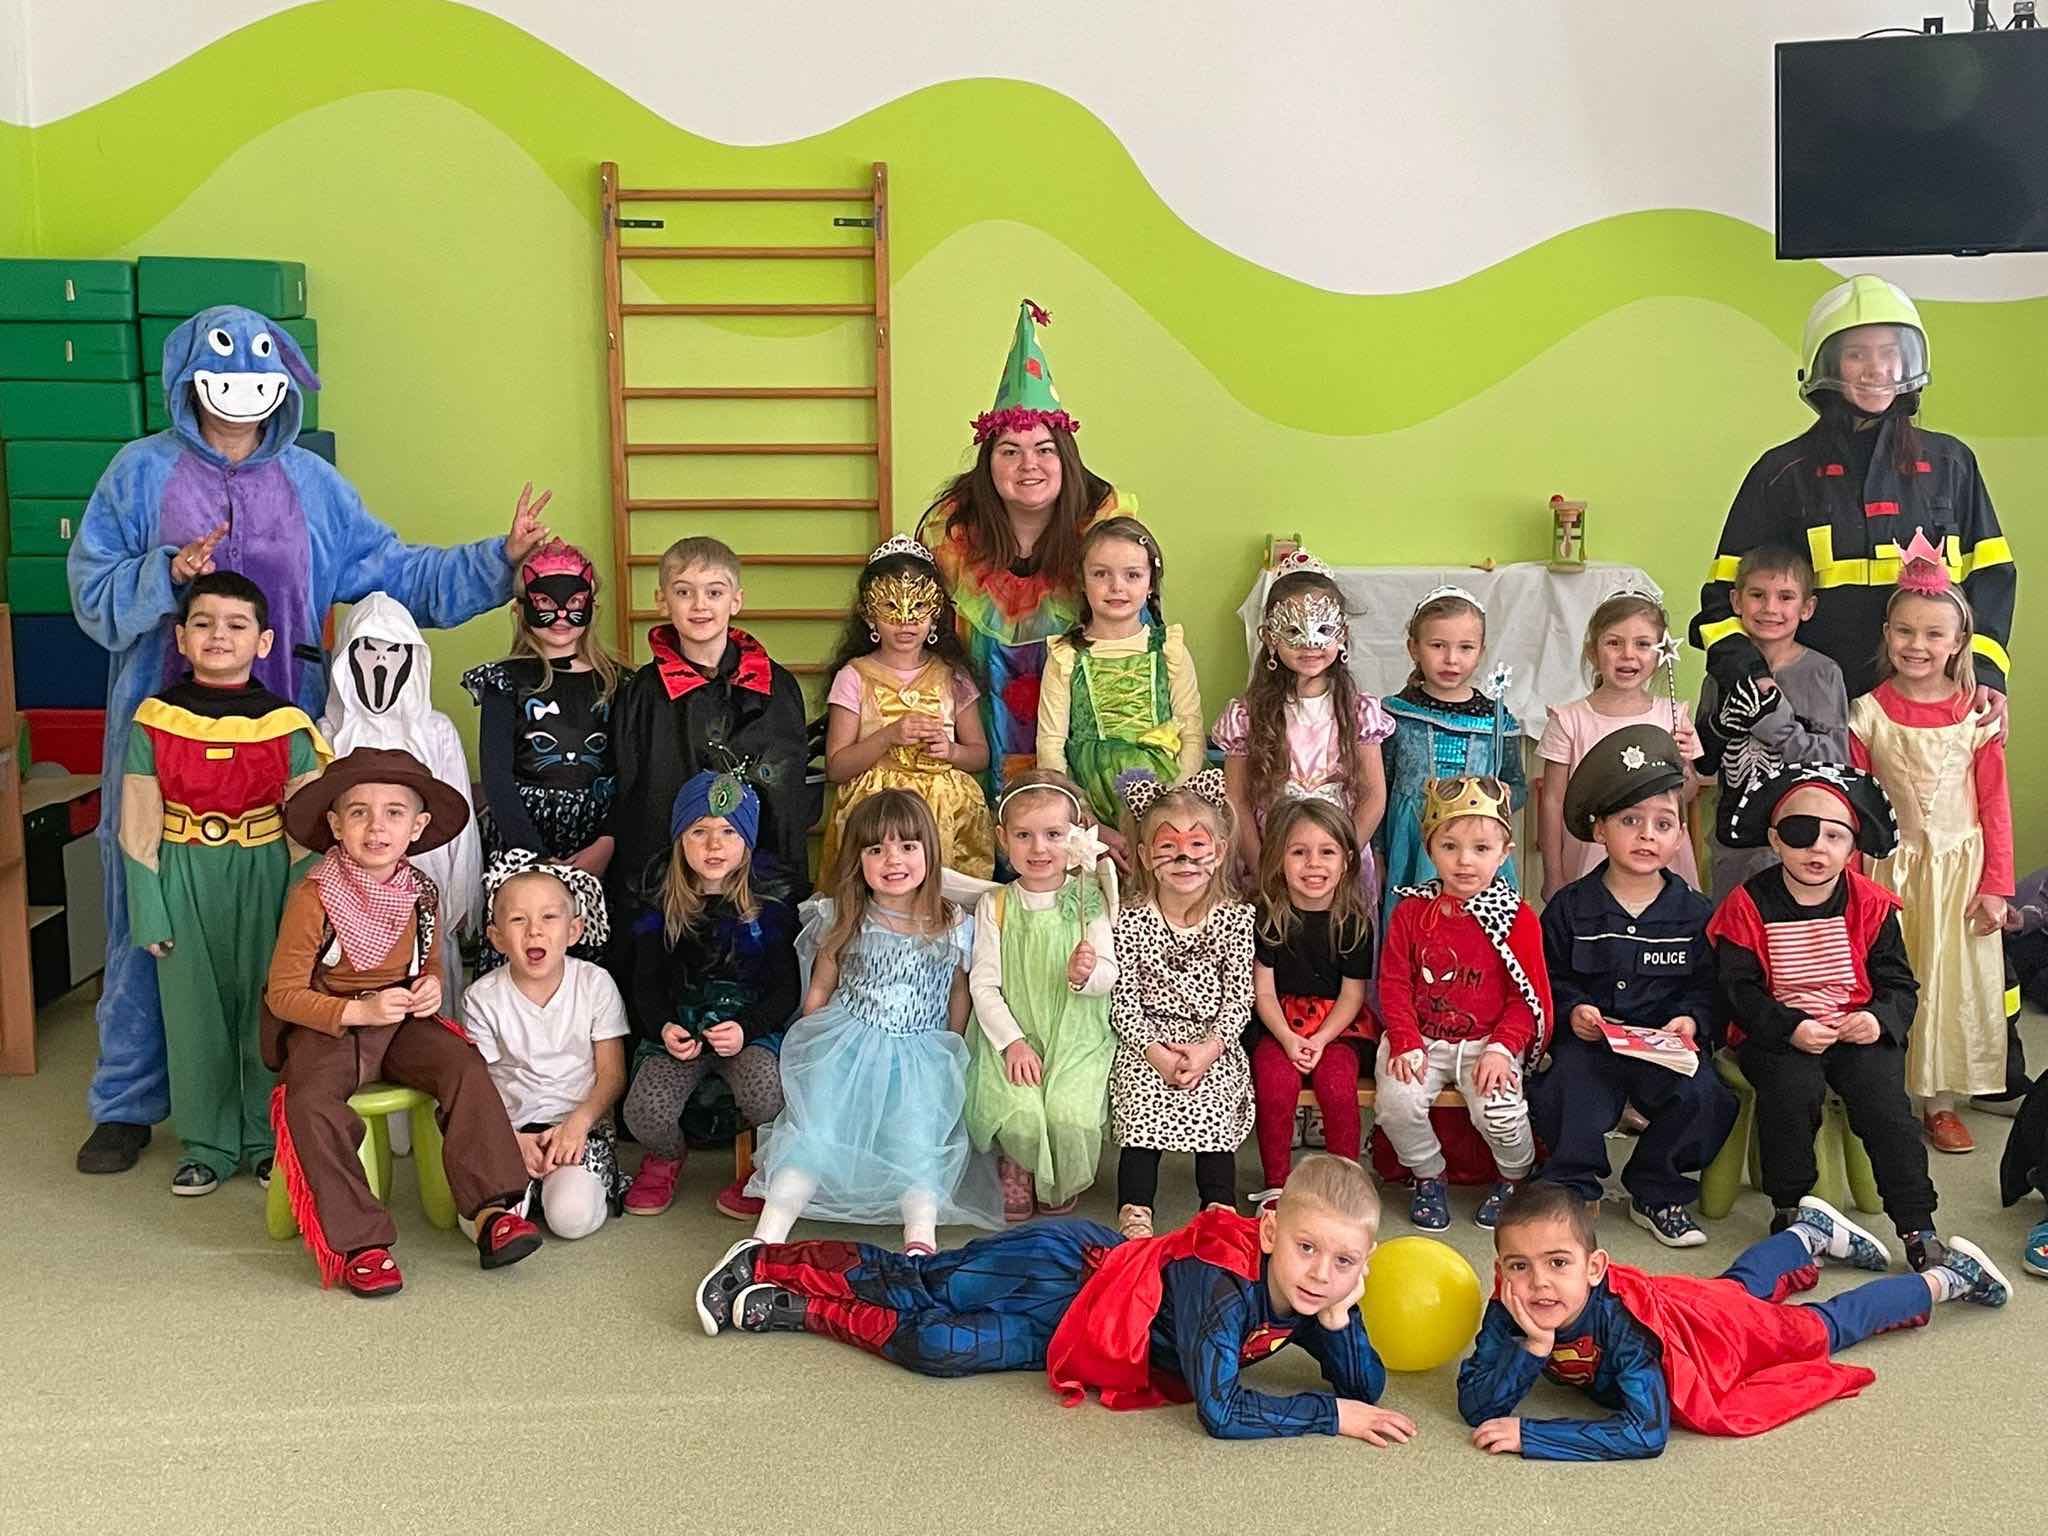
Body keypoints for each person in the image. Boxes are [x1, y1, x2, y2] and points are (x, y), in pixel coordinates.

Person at [68, 303, 549, 1175]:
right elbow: (93, 595)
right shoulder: (139, 474)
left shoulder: (313, 486)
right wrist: (164, 574)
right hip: (160, 730)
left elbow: (394, 570)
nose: (241, 385)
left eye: (261, 365)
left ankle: (273, 1106)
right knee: (150, 915)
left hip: (282, 733)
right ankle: (129, 1098)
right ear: (188, 377)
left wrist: (496, 560)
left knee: (286, 922)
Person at [696, 1152, 1419, 1447]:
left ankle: (798, 1310)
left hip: (1085, 1336)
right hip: (1068, 1269)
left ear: (1363, 1263)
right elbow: (1221, 1410)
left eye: (1343, 1261)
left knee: (936, 1346)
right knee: (920, 1285)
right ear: (1268, 1231)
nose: (1320, 1272)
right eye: (1306, 1248)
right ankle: (763, 1258)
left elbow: (1366, 1386)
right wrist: (1330, 1417)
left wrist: (1339, 1319)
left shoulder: (1318, 1294)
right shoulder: (1223, 1278)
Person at [264, 747, 542, 1296]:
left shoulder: (419, 892)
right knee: (310, 1102)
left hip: (397, 1023)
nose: (376, 827)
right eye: (359, 812)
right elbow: (284, 995)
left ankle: (493, 1211)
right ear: (335, 826)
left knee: (462, 1065)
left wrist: (430, 985)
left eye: (394, 813)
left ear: (416, 827)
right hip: (330, 1023)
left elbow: (428, 960)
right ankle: (361, 1242)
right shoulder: (313, 896)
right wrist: (356, 1011)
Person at [1458, 1182, 2008, 1460]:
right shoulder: (1513, 1306)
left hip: (1707, 1337)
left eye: (1558, 1263)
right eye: (1520, 1267)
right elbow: (1477, 1406)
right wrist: (1533, 1348)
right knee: (1735, 1289)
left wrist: (1533, 1435)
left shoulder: (1624, 1330)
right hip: (1689, 1305)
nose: (1539, 1284)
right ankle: (1807, 1234)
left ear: (1595, 1268)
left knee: (1818, 1328)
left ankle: (1949, 1277)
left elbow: (1645, 1431)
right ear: (1501, 1272)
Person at [1690, 274, 2014, 719]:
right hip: (1807, 712)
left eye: (1889, 353)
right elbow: (1722, 599)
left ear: (1909, 362)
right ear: (1827, 365)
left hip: (1931, 708)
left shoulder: (1952, 464)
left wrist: (1986, 673)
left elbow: (1992, 578)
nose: (1876, 369)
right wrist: (1752, 677)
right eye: (1856, 354)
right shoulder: (1782, 473)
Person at [120, 571, 329, 1196]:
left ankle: (266, 1140)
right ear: (181, 638)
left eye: (237, 625)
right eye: (203, 623)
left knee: (268, 1007)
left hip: (267, 871)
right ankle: (207, 1146)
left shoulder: (287, 725)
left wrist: (302, 911)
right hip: (182, 872)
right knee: (193, 1016)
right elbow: (136, 824)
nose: (219, 635)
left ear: (263, 642)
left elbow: (308, 830)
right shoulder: (155, 722)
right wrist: (149, 909)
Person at [1708, 763, 1951, 1271]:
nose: (1817, 849)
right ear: (1775, 839)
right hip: (1778, 1031)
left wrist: (1878, 1020)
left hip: (1854, 1027)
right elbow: (1736, 989)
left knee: (1885, 1104)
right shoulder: (1747, 905)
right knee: (1790, 1095)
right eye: (1801, 834)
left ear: (1852, 847)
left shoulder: (1871, 905)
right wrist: (1788, 1027)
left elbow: (1900, 985)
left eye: (1834, 836)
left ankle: (1917, 1222)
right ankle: (1793, 1211)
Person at [744, 790, 1001, 1251]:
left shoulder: (953, 924)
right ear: (858, 859)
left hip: (922, 1047)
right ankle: (769, 1233)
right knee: (815, 1130)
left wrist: (952, 1044)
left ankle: (919, 1237)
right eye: (876, 849)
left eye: (908, 846)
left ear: (929, 852)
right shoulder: (847, 915)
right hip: (848, 1040)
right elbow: (823, 981)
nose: (893, 860)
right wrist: (813, 1033)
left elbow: (958, 993)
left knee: (917, 1137)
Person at [919, 299, 1137, 802]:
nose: (1028, 465)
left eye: (1044, 449)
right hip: (974, 747)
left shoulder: (1107, 536)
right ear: (988, 463)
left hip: (1085, 745)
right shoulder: (951, 539)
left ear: (1066, 459)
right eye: (1010, 451)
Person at [1530, 726, 1735, 1247]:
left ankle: (1656, 1189)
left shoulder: (1694, 913)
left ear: (1679, 836)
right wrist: (1573, 1010)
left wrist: (1691, 1020)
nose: (1647, 836)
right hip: (1592, 1045)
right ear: (1600, 830)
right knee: (1564, 1090)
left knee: (1706, 1097)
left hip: (1663, 1048)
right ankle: (1573, 1188)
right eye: (1630, 821)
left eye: (1663, 824)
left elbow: (1709, 988)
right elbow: (1548, 979)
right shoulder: (1569, 908)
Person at [1849, 531, 2013, 1154]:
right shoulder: (1866, 713)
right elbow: (1856, 805)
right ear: (1887, 634)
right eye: (1905, 631)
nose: (1917, 645)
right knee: (1893, 977)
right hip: (1889, 872)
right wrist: (1851, 883)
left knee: (1950, 983)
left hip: (1960, 874)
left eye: (1933, 634)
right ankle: (1884, 1092)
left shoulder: (1977, 715)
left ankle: (1940, 1102)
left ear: (1958, 642)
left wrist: (1997, 885)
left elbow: (1994, 806)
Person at [620, 770, 799, 1220]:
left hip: (747, 1031)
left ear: (748, 841)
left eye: (728, 832)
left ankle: (762, 1166)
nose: (714, 845)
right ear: (680, 839)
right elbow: (645, 985)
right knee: (643, 1111)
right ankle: (666, 1156)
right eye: (699, 831)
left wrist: (748, 1029)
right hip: (681, 1030)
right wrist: (664, 1026)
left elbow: (786, 989)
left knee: (769, 1096)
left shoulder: (770, 906)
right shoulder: (661, 905)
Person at [1376, 776, 1549, 1231]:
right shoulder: (1411, 913)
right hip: (1421, 1037)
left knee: (1500, 1112)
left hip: (1487, 1041)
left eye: (1481, 848)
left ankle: (1514, 1176)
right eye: (1449, 847)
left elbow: (1525, 998)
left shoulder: (1516, 918)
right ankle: (1429, 1174)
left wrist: (1501, 1049)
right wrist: (1405, 1041)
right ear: (1430, 850)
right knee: (1397, 1103)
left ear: (1504, 853)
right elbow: (1393, 983)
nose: (1464, 860)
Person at [608, 536, 810, 917]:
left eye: (714, 592)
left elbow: (786, 803)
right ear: (662, 600)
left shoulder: (776, 688)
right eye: (684, 592)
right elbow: (635, 794)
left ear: (736, 600)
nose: (699, 605)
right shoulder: (642, 695)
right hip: (670, 893)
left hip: (755, 891)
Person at [460, 537, 627, 971]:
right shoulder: (503, 683)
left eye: (574, 603)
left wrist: (607, 841)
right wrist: (534, 857)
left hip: (597, 837)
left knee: (592, 955)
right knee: (527, 945)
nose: (561, 617)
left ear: (592, 606)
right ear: (521, 610)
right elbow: (496, 776)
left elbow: (631, 772)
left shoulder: (620, 684)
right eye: (545, 604)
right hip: (523, 836)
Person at [963, 770, 1119, 1221]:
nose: (1039, 848)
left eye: (1053, 835)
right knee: (1019, 1111)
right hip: (1014, 1028)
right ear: (1002, 838)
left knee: (1069, 1111)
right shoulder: (996, 905)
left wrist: (1086, 975)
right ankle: (1018, 1162)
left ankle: (1060, 1174)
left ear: (1076, 836)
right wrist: (1011, 1042)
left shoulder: (1087, 899)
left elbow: (1108, 972)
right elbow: (984, 984)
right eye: (1023, 836)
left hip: (1075, 1030)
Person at [1108, 770, 1256, 1240]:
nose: (1184, 858)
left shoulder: (1235, 919)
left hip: (1211, 1042)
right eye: (1169, 847)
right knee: (1139, 1099)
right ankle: (1135, 1208)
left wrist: (1210, 1050)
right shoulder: (1130, 920)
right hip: (1148, 1039)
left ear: (1219, 852)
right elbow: (1123, 1001)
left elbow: (1240, 998)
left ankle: (1218, 1207)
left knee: (1215, 1100)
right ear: (1145, 855)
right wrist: (1154, 1051)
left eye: (1197, 846)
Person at [319, 591, 484, 1010]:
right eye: (369, 649)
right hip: (347, 893)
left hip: (424, 886)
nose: (381, 661)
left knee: (429, 993)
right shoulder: (328, 733)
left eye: (394, 650)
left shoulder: (436, 732)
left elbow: (459, 821)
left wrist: (457, 900)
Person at [464, 854, 628, 1240]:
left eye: (549, 917)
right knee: (480, 1225)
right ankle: (526, 1191)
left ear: (574, 930)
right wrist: (509, 1138)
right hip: (508, 1126)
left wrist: (577, 1126)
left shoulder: (595, 983)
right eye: (518, 920)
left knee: (569, 1218)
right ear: (496, 937)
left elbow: (612, 1074)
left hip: (578, 1125)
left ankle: (569, 1186)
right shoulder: (481, 997)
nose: (534, 931)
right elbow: (477, 1085)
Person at [1216, 549, 1392, 907]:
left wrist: (1343, 859)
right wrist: (1263, 867)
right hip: (1269, 862)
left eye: (1323, 629)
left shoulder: (1358, 713)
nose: (1310, 643)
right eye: (1293, 630)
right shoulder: (1247, 716)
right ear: (1270, 636)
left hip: (1342, 867)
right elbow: (1237, 801)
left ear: (1342, 635)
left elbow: (1374, 796)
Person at [820, 536, 993, 879]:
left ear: (935, 613)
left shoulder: (953, 676)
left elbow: (980, 756)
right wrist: (887, 736)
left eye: (919, 607)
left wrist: (951, 751)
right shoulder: (854, 677)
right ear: (869, 614)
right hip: (875, 820)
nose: (906, 621)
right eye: (890, 606)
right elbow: (836, 767)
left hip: (945, 818)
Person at [1694, 544, 1848, 906]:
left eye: (1786, 597)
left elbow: (1836, 760)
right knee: (1731, 925)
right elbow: (1702, 761)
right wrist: (1720, 728)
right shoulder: (1721, 675)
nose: (1770, 608)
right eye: (1757, 595)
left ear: (1807, 608)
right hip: (1732, 843)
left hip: (1801, 845)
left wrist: (1775, 725)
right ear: (1736, 601)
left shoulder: (1823, 674)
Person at [1037, 515, 1203, 832]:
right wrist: (1083, 815)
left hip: (1164, 803)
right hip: (1088, 805)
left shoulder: (1169, 649)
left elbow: (1191, 734)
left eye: (1132, 575)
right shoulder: (1065, 655)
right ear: (1082, 580)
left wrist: (1172, 809)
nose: (1117, 586)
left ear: (1150, 583)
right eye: (1101, 574)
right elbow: (1050, 746)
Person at [1377, 586, 1525, 933]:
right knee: (1416, 930)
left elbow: (1517, 784)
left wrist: (1504, 795)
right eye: (1437, 645)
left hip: (1477, 847)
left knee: (1474, 935)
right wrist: (1378, 853)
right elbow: (1380, 787)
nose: (1451, 659)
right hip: (1411, 842)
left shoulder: (1495, 719)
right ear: (1414, 648)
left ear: (1481, 651)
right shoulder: (1395, 715)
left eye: (1465, 647)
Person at [1536, 586, 1701, 898]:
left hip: (1661, 866)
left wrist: (1684, 768)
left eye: (1643, 644)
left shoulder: (1674, 716)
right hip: (1589, 863)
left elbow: (1687, 794)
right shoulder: (1568, 720)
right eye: (1614, 643)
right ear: (1592, 652)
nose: (1628, 654)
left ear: (1661, 653)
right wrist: (1553, 873)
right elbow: (1553, 802)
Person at [1247, 800, 1374, 1204]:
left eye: (1327, 852)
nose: (1313, 864)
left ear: (1347, 860)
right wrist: (1287, 1038)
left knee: (1337, 1087)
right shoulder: (1266, 917)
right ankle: (1276, 1183)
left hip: (1336, 1027)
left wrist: (1320, 1040)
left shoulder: (1354, 922)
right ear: (1279, 859)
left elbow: (1352, 994)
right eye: (1299, 852)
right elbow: (1263, 991)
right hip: (1277, 1023)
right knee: (1274, 1085)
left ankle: (1345, 1182)